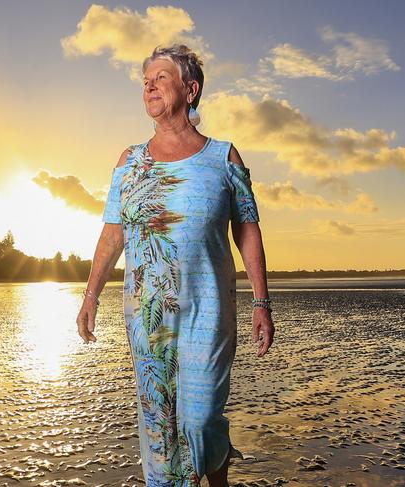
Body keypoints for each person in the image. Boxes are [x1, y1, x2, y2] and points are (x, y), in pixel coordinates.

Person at [76, 44, 275, 487]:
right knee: (159, 421)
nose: (149, 84)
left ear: (191, 89)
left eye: (161, 77)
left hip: (208, 308)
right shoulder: (130, 162)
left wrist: (262, 301)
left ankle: (217, 460)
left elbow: (247, 231)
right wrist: (90, 296)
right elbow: (113, 234)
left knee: (201, 416)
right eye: (145, 79)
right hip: (147, 312)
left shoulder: (224, 158)